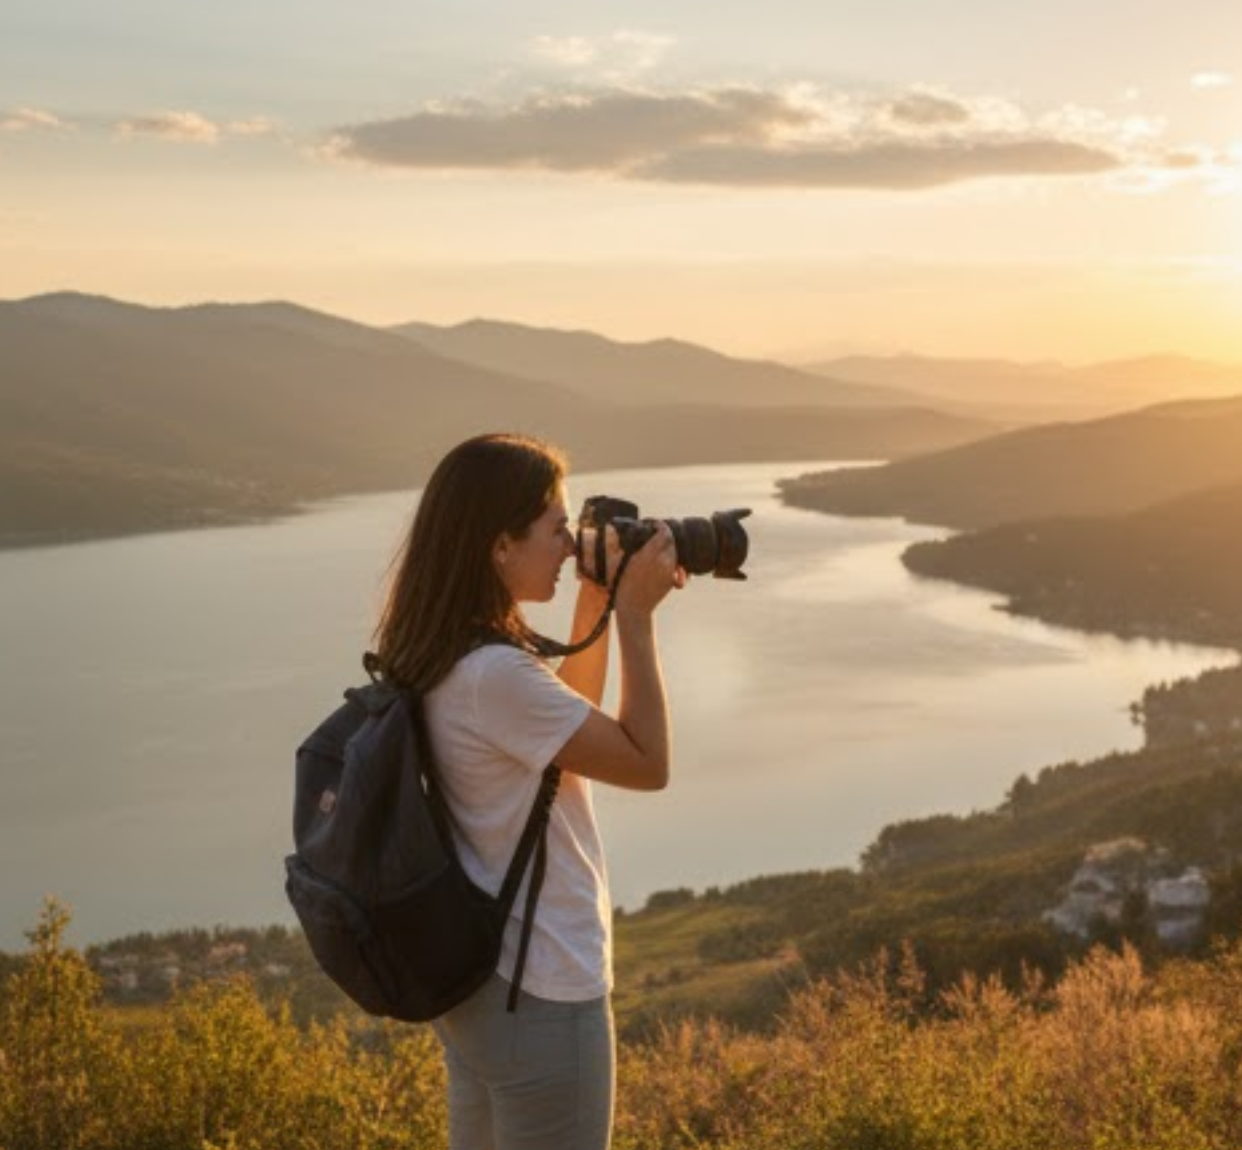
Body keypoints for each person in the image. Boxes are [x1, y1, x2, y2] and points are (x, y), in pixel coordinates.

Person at [371, 432, 684, 1150]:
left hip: (482, 991)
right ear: (499, 546)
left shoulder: (446, 648)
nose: (571, 546)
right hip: (543, 990)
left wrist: (597, 598)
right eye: (556, 528)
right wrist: (634, 619)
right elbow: (647, 763)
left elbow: (562, 747)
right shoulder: (495, 675)